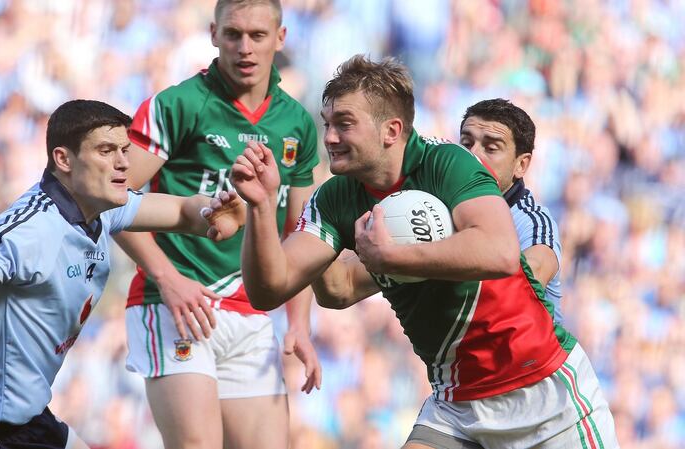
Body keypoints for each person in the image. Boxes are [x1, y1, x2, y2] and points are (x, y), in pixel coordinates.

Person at [231, 55, 618, 448]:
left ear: (391, 130)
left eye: (344, 124)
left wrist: (392, 258)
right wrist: (261, 208)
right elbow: (287, 289)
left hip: (543, 396)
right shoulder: (333, 198)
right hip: (456, 405)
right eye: (327, 123)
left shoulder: (447, 164)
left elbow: (500, 253)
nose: (329, 136)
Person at [0, 99, 244, 449]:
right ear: (64, 159)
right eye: (106, 150)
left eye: (124, 149)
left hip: (28, 417)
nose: (123, 163)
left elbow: (182, 211)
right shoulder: (30, 231)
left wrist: (213, 210)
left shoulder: (102, 208)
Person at [115, 1, 321, 448]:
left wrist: (299, 325)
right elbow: (110, 200)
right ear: (213, 34)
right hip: (175, 304)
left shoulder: (297, 125)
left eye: (258, 36)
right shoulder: (177, 105)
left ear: (280, 38)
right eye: (233, 34)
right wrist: (168, 279)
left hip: (251, 312)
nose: (244, 48)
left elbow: (300, 235)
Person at [313, 98, 565, 324]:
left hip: (536, 370)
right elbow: (341, 286)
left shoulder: (532, 221)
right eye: (466, 142)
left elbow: (527, 281)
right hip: (459, 373)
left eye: (491, 147)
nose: (473, 154)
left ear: (521, 165)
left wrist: (405, 259)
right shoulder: (431, 211)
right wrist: (316, 220)